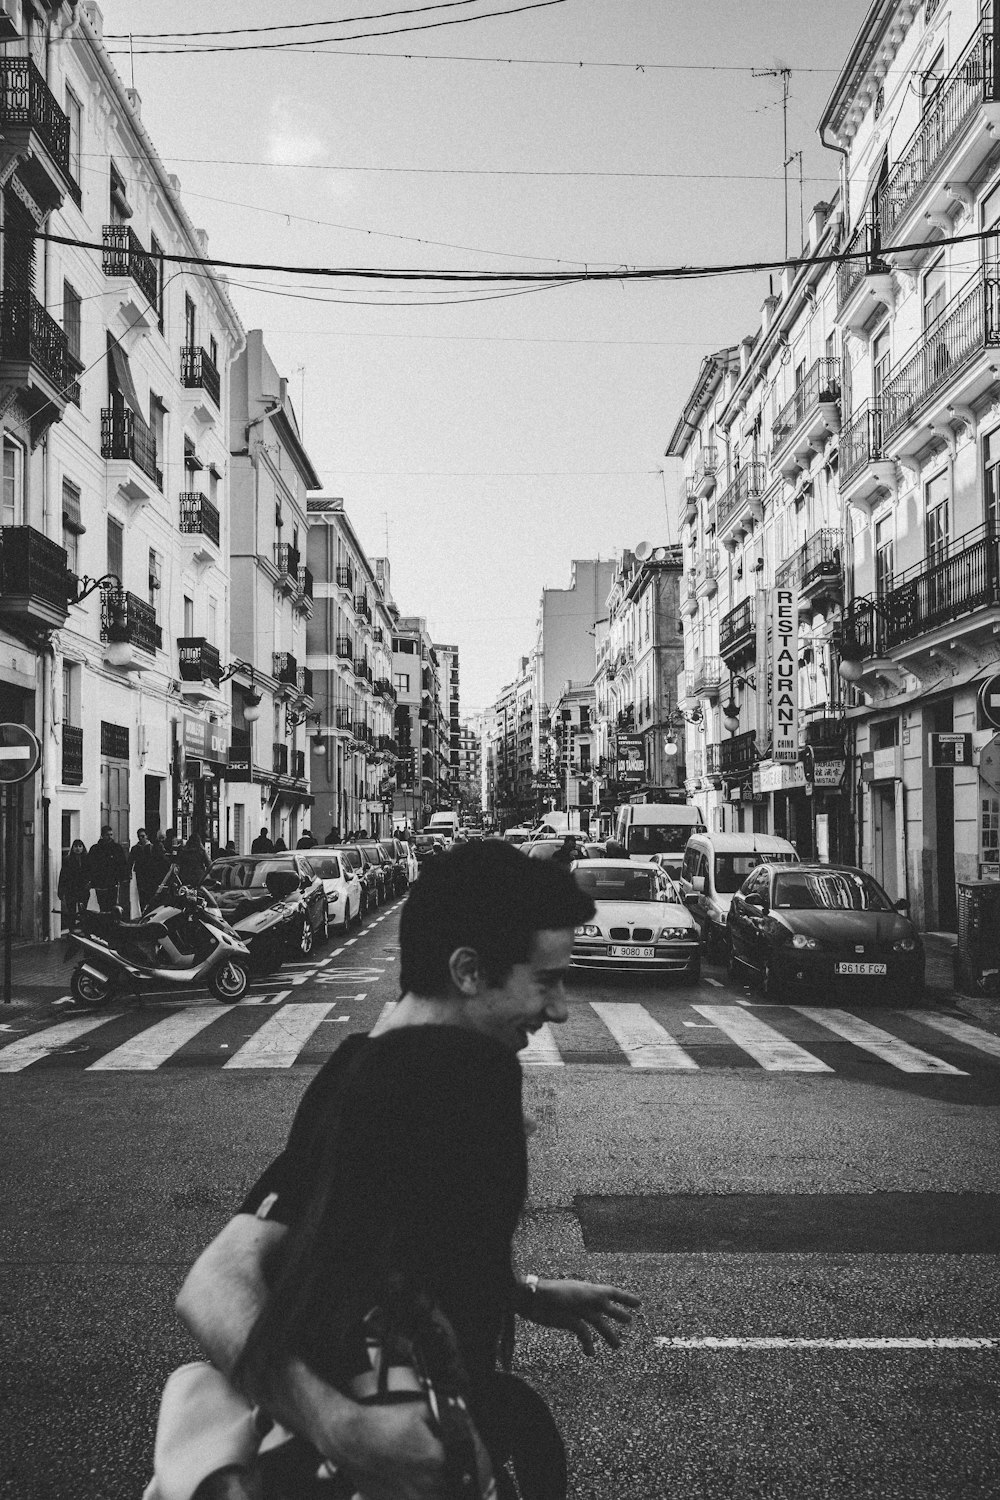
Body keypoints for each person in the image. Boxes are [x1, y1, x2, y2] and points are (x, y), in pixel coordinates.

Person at [175, 844, 640, 1499]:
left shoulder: (431, 1074)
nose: (560, 1009)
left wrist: (523, 1293)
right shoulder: (388, 1087)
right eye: (545, 980)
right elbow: (212, 1283)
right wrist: (338, 1425)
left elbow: (389, 1250)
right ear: (469, 970)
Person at [87, 825, 128, 912]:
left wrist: (123, 878)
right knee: (101, 906)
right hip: (99, 884)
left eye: (111, 835)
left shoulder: (117, 848)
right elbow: (90, 865)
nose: (109, 837)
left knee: (112, 906)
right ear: (102, 835)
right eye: (107, 835)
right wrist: (91, 880)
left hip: (112, 883)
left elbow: (122, 864)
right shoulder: (95, 849)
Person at [58, 839, 90, 941]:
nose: (78, 848)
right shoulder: (67, 860)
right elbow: (62, 875)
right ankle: (71, 932)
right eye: (76, 846)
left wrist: (90, 883)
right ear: (73, 848)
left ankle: (84, 930)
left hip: (83, 889)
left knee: (83, 911)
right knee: (71, 912)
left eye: (80, 846)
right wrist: (61, 890)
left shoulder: (87, 859)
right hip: (70, 889)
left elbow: (91, 872)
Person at [128, 828, 161, 912]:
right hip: (140, 874)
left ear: (147, 836)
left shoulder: (152, 848)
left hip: (151, 875)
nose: (141, 838)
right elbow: (130, 861)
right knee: (142, 895)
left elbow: (158, 861)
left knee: (151, 895)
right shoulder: (135, 848)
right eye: (139, 837)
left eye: (143, 836)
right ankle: (143, 912)